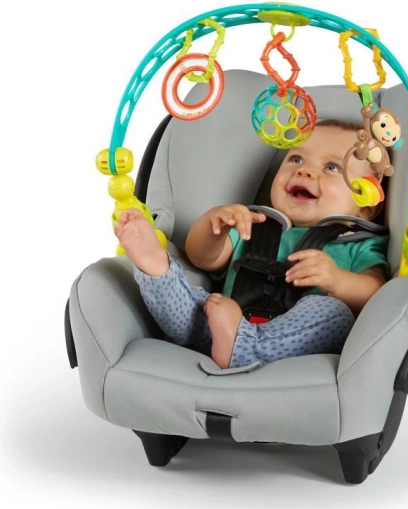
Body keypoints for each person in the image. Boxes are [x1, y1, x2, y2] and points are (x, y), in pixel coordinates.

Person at [114, 120, 389, 369]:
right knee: (198, 301)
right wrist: (214, 225)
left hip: (294, 347)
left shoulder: (358, 244)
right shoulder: (252, 223)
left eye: (332, 167)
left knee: (335, 314)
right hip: (217, 328)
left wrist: (337, 280)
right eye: (295, 159)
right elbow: (203, 258)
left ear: (366, 206)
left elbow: (375, 292)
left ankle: (246, 347)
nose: (304, 171)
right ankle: (157, 270)